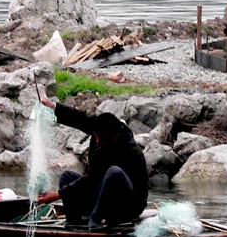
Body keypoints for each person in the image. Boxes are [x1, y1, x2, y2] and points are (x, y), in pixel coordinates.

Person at [35, 97, 148, 227]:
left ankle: (96, 220)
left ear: (114, 137)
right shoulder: (101, 127)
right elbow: (78, 118)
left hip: (128, 205)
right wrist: (53, 106)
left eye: (102, 140)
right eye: (96, 137)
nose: (98, 142)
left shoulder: (127, 150)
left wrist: (58, 194)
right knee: (66, 177)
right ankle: (74, 221)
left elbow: (92, 179)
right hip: (105, 197)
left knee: (114, 172)